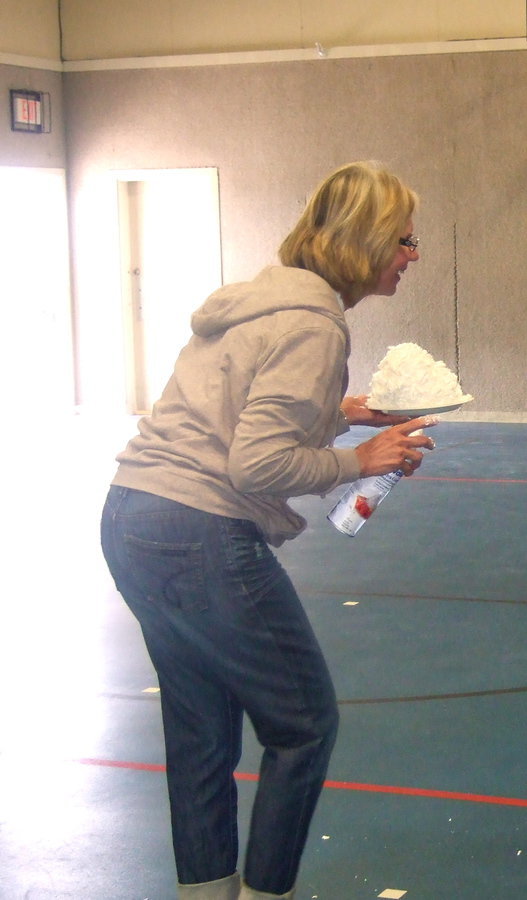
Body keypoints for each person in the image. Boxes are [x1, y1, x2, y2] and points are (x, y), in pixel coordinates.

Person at [100, 161, 436, 900]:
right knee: (304, 723)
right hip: (198, 532)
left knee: (201, 732)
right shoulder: (315, 325)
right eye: (406, 240)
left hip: (133, 517)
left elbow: (234, 405)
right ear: (368, 241)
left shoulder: (265, 300)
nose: (413, 256)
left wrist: (340, 410)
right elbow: (257, 462)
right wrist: (358, 460)